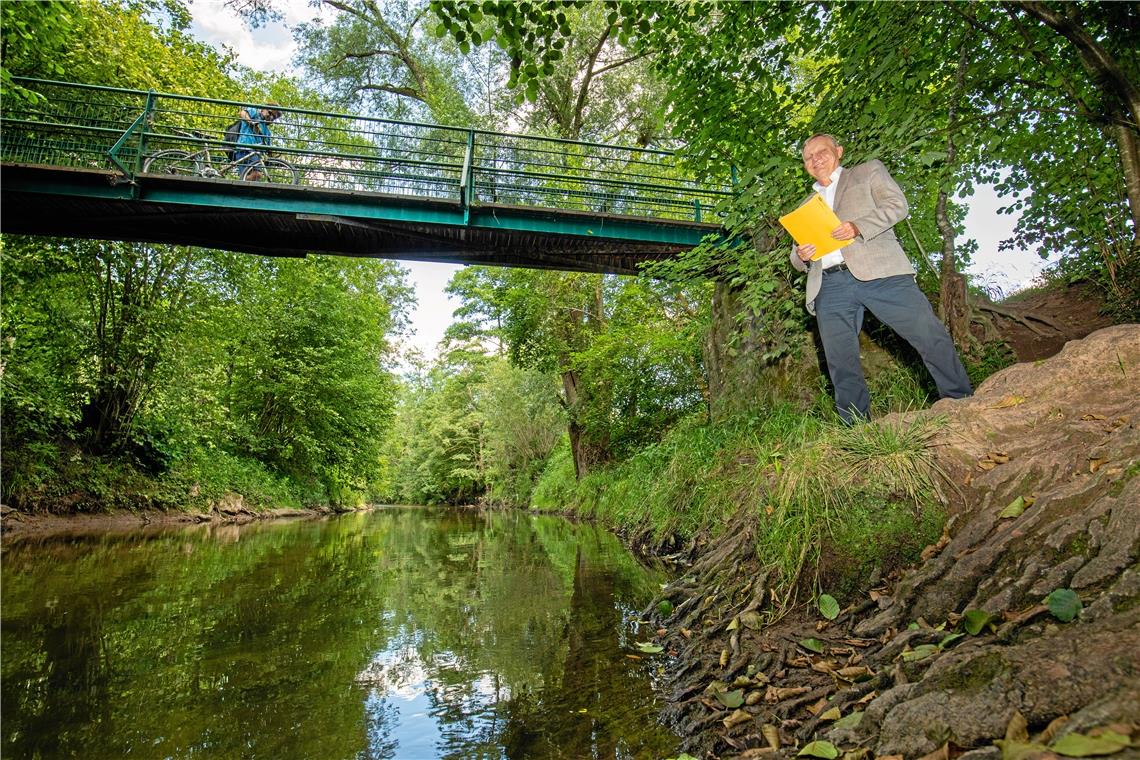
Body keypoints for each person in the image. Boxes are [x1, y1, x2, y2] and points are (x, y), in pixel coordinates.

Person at [789, 133, 973, 424]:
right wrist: (802, 254)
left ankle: (961, 402)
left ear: (839, 151)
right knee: (840, 362)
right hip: (829, 285)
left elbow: (897, 206)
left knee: (927, 333)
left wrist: (857, 226)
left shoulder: (868, 171)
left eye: (821, 152)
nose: (815, 160)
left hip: (881, 273)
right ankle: (856, 431)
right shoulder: (804, 205)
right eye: (808, 157)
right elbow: (795, 259)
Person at [234, 103, 281, 181]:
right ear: (263, 109)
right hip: (244, 147)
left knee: (255, 175)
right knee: (256, 174)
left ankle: (241, 182)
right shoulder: (254, 112)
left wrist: (274, 155)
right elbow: (243, 113)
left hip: (255, 154)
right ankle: (241, 182)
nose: (271, 117)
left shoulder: (267, 132)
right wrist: (251, 122)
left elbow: (268, 149)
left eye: (274, 117)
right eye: (270, 113)